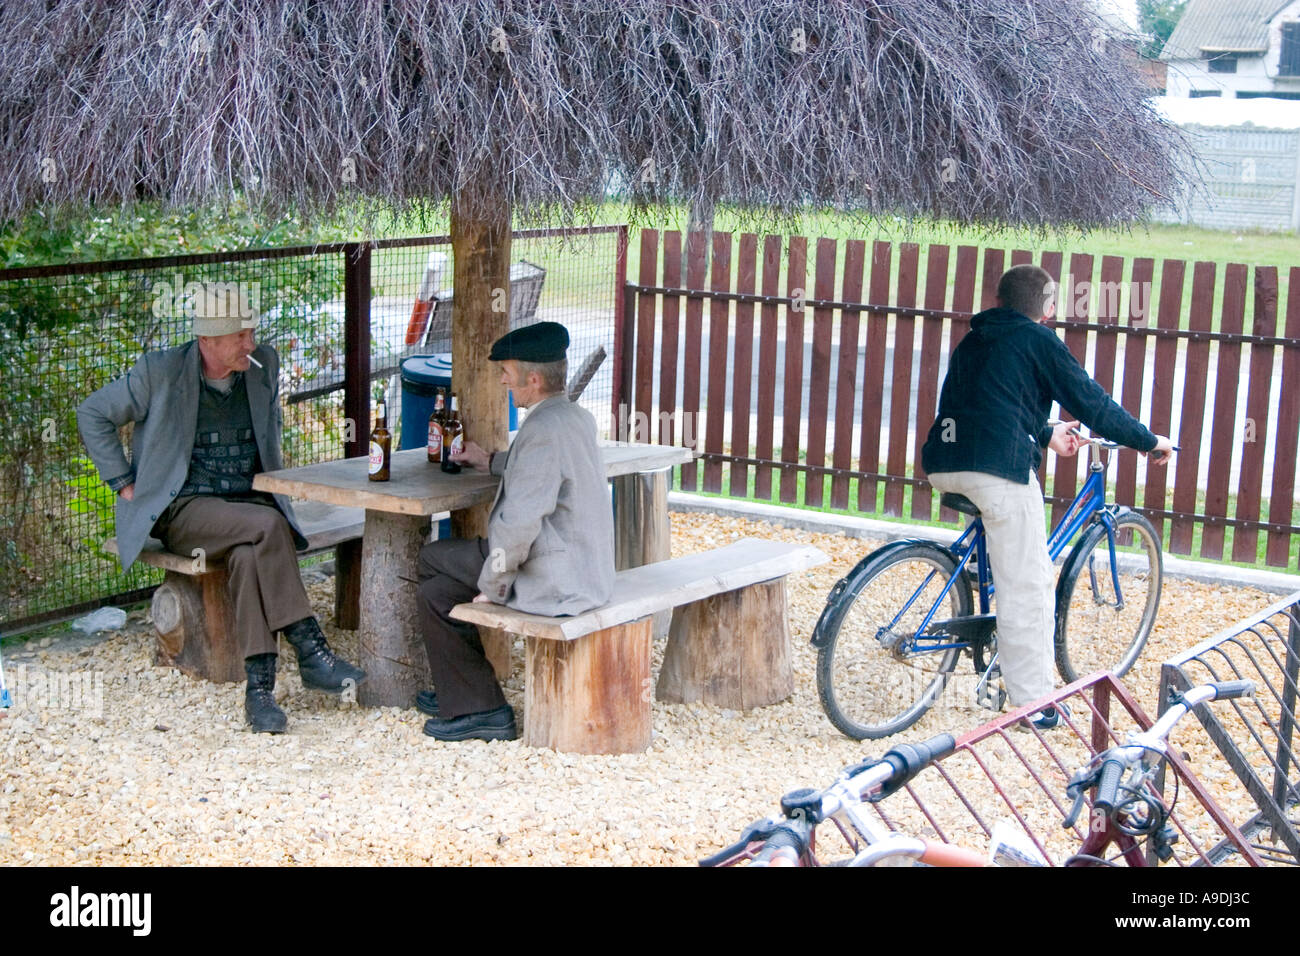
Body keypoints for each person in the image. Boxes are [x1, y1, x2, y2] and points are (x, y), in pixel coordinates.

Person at [76, 283, 365, 733]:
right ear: (207, 340)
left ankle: (260, 692)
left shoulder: (261, 365)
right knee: (268, 527)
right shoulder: (161, 371)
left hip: (247, 509)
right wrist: (124, 483)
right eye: (240, 336)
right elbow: (92, 413)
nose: (251, 344)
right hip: (186, 509)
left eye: (251, 333)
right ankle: (311, 651)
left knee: (252, 553)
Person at [920, 264, 1174, 729]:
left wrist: (1046, 432)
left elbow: (986, 404)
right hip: (997, 471)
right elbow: (1093, 403)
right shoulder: (1040, 340)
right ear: (1049, 308)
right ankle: (1032, 705)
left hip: (944, 461)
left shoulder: (974, 339)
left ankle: (981, 578)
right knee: (1030, 586)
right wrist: (1147, 440)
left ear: (999, 299)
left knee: (1006, 541)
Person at [414, 321, 615, 742]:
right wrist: (490, 462)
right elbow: (543, 472)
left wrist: (493, 583)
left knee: (431, 561)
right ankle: (467, 695)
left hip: (556, 580)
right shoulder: (573, 417)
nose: (503, 379)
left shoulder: (541, 430)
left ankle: (479, 706)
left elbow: (520, 525)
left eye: (507, 372)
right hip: (584, 570)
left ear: (534, 379)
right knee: (437, 591)